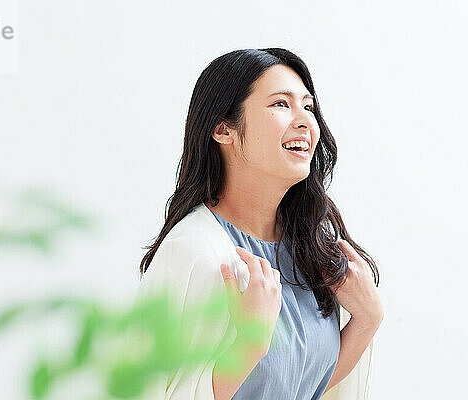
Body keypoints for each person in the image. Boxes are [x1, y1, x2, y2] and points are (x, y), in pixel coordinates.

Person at [137, 48, 384, 400]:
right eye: (281, 104)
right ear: (224, 129)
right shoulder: (194, 252)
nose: (304, 121)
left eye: (308, 106)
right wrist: (249, 345)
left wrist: (366, 321)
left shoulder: (308, 251)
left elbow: (300, 385)